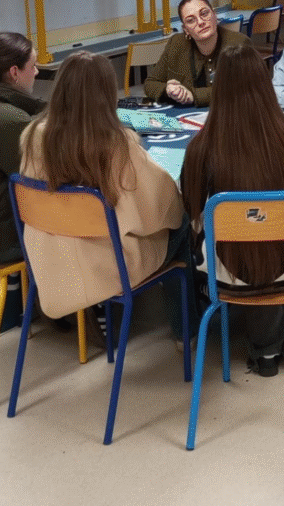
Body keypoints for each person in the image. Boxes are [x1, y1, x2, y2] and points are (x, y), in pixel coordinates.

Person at [19, 50, 198, 346]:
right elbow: (159, 206)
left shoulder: (33, 135)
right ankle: (186, 332)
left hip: (49, 254)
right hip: (106, 261)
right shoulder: (116, 142)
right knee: (180, 224)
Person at [180, 43, 284, 376]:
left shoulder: (200, 148)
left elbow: (191, 212)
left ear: (218, 88)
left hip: (224, 276)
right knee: (273, 238)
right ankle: (276, 349)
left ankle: (190, 330)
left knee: (190, 234)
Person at [143, 0, 252, 106]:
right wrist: (168, 90)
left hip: (228, 111)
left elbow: (240, 89)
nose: (200, 22)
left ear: (214, 15)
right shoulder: (176, 43)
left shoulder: (238, 43)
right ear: (186, 29)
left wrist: (193, 95)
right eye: (191, 20)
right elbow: (150, 83)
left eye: (204, 14)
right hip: (186, 114)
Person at [0, 33, 44, 263]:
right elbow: (39, 177)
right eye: (33, 65)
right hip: (7, 241)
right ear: (14, 72)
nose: (36, 72)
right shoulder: (11, 119)